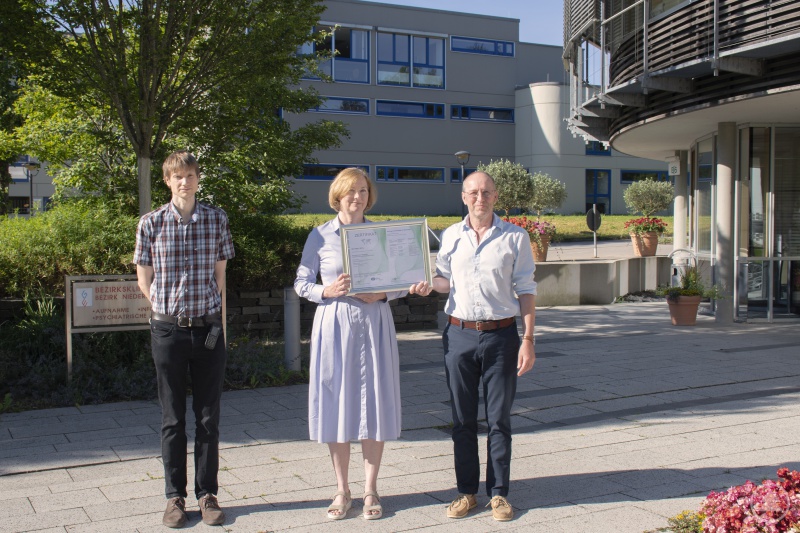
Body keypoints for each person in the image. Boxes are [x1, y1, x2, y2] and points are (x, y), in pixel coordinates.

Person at [294, 167, 429, 521]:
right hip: (334, 322)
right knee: (337, 401)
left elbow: (405, 279)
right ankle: (342, 488)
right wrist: (326, 290)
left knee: (374, 401)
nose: (358, 197)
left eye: (364, 191)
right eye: (351, 190)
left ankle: (370, 488)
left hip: (373, 320)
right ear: (338, 195)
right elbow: (301, 282)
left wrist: (386, 292)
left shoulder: (382, 233)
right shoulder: (320, 236)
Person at [410, 171, 536, 522]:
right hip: (459, 335)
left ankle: (498, 494)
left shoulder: (515, 237)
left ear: (496, 197)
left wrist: (528, 339)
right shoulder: (451, 235)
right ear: (463, 197)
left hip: (502, 337)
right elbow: (444, 281)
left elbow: (526, 290)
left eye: (486, 192)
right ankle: (466, 492)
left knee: (499, 419)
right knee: (462, 419)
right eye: (473, 192)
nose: (480, 198)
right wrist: (425, 284)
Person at [134, 150, 235, 528]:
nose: (185, 182)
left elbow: (220, 275)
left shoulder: (216, 219)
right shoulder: (151, 223)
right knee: (172, 417)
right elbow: (144, 278)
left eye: (190, 175)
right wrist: (166, 309)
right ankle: (173, 497)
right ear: (167, 180)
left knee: (208, 417)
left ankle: (207, 494)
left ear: (197, 178)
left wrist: (209, 316)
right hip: (168, 331)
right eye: (177, 176)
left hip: (208, 329)